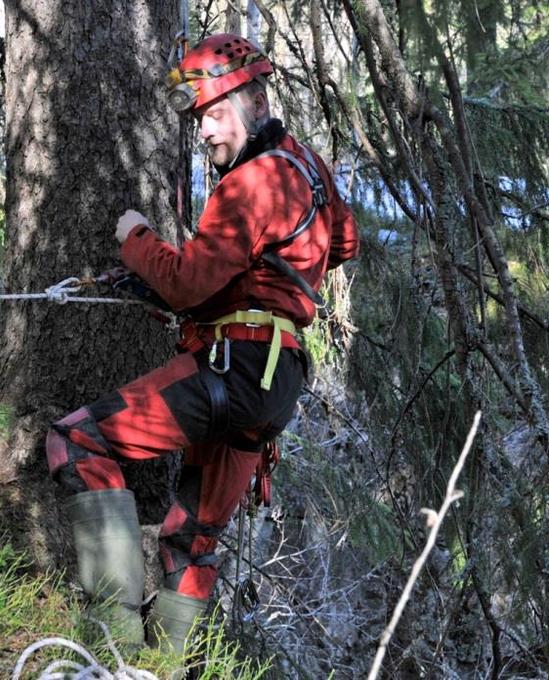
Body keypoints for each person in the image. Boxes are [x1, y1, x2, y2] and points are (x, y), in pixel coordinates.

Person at [44, 32, 359, 656]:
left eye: (214, 113)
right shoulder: (306, 165)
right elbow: (345, 243)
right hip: (275, 381)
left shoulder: (254, 183)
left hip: (233, 367)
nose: (207, 131)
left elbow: (186, 282)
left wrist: (136, 239)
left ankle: (112, 648)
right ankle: (161, 667)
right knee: (194, 537)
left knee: (76, 440)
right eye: (201, 120)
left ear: (251, 100)